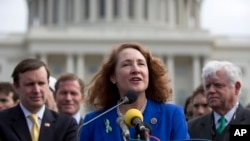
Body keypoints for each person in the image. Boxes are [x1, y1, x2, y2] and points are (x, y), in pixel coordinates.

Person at [79, 42, 189, 141]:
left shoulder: (172, 115)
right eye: (126, 64)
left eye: (141, 64)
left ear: (148, 74)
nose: (136, 70)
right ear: (113, 77)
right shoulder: (92, 122)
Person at [0, 58, 78, 141]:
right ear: (16, 87)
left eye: (41, 83)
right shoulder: (2, 122)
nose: (36, 90)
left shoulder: (66, 125)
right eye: (30, 84)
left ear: (48, 84)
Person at [188, 60, 250, 141]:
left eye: (218, 85)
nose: (211, 91)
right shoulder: (192, 127)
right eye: (207, 86)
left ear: (236, 87)